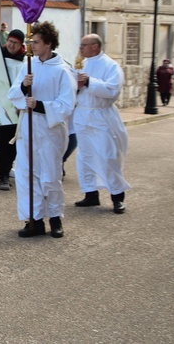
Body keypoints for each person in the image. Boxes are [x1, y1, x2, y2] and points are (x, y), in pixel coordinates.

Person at [7, 21, 76, 238]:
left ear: (48, 43)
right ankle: (34, 221)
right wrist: (22, 86)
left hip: (50, 130)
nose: (32, 46)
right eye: (31, 41)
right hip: (28, 128)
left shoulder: (64, 70)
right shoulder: (28, 65)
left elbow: (66, 104)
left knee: (49, 175)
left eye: (36, 42)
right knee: (27, 175)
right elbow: (13, 95)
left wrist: (40, 105)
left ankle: (55, 218)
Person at [73, 34, 131, 214]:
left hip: (101, 115)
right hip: (82, 115)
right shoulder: (82, 64)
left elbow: (112, 90)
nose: (80, 48)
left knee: (108, 155)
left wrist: (89, 81)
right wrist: (76, 86)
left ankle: (117, 197)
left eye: (84, 45)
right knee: (85, 157)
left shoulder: (111, 65)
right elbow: (70, 89)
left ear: (95, 47)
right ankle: (90, 194)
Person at [0, 29, 26, 190]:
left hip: (15, 109)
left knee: (13, 142)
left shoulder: (25, 63)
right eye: (10, 41)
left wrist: (22, 104)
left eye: (16, 43)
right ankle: (3, 175)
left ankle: (7, 167)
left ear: (21, 45)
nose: (12, 45)